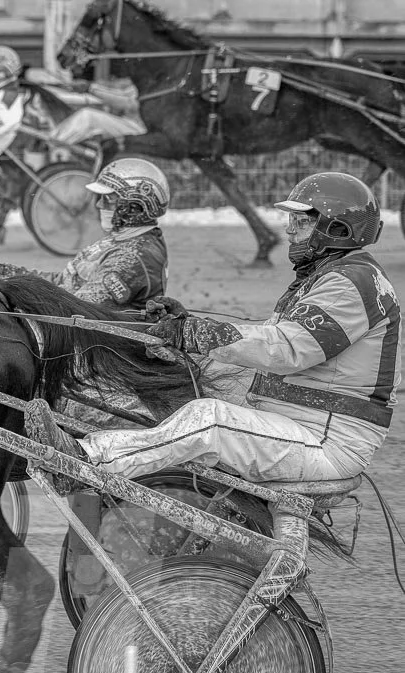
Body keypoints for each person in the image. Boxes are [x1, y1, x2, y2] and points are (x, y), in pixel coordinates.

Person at [24, 172, 398, 487]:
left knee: (211, 419)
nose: (289, 230)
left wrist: (197, 334)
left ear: (335, 228)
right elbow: (270, 335)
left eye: (301, 221)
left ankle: (84, 464)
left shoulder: (351, 283)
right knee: (188, 375)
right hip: (300, 421)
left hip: (326, 441)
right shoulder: (333, 276)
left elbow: (285, 349)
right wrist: (188, 331)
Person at [0, 158, 170, 309]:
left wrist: (10, 287)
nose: (98, 205)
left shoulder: (130, 258)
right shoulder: (125, 240)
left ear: (135, 206)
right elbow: (63, 283)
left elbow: (77, 309)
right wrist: (2, 273)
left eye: (108, 200)